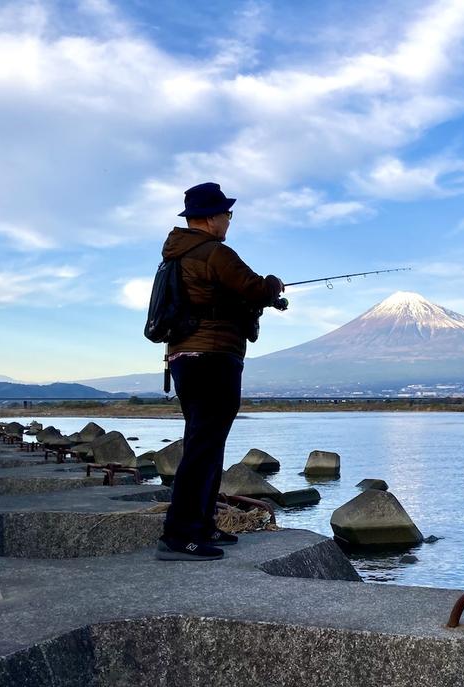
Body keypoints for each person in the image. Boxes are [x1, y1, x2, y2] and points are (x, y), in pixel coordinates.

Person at [156, 182, 284, 561]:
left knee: (206, 443)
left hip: (183, 357)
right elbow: (255, 288)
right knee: (204, 447)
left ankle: (202, 524)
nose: (229, 219)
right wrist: (274, 285)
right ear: (211, 218)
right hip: (213, 358)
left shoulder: (175, 256)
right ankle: (179, 536)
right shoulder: (214, 253)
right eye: (226, 213)